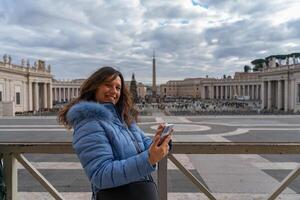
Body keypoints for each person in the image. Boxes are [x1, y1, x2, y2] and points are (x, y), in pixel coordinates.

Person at [58, 66, 172, 200]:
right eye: (108, 85)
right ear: (95, 87)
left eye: (118, 88)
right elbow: (100, 174)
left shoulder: (123, 118)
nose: (114, 91)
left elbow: (143, 144)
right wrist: (149, 159)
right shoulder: (88, 123)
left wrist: (160, 140)